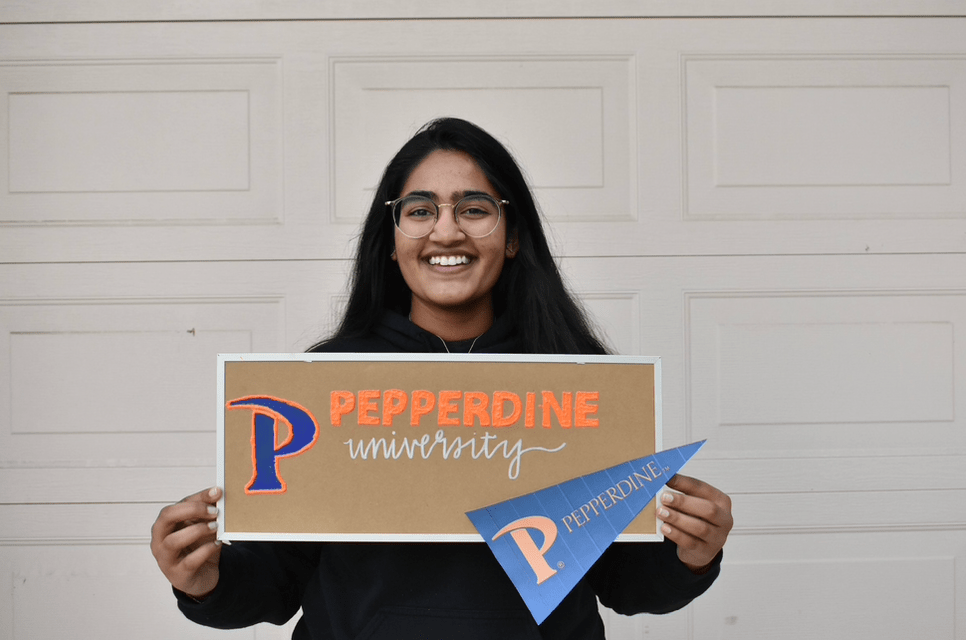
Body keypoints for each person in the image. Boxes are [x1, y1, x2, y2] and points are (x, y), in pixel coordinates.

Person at [150, 117, 733, 639]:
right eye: (421, 210)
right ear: (393, 241)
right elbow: (276, 583)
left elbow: (625, 583)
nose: (446, 232)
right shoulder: (326, 381)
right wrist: (205, 579)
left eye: (474, 208)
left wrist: (691, 555)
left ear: (512, 237)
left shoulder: (579, 385)